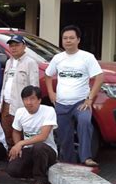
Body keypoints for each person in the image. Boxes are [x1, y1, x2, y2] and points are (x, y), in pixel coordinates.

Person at [44, 25, 104, 166]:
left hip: (80, 103)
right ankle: (68, 161)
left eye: (71, 38)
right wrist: (51, 93)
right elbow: (47, 75)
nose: (68, 41)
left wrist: (90, 99)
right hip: (61, 104)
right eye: (65, 38)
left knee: (84, 122)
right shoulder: (58, 58)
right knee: (64, 136)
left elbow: (99, 77)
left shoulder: (87, 57)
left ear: (78, 40)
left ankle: (86, 158)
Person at [6, 86, 58, 184]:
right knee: (12, 170)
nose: (29, 102)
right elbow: (16, 131)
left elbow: (43, 136)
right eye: (25, 99)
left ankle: (40, 179)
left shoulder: (49, 110)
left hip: (46, 150)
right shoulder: (20, 112)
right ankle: (41, 171)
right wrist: (18, 146)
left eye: (32, 98)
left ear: (39, 100)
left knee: (38, 147)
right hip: (28, 149)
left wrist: (21, 143)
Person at [0, 35, 39, 146]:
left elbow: (34, 87)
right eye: (11, 45)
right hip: (6, 104)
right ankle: (10, 156)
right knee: (7, 133)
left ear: (24, 46)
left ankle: (21, 157)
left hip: (21, 106)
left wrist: (30, 105)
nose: (13, 48)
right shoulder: (9, 62)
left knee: (20, 134)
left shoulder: (30, 62)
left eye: (17, 45)